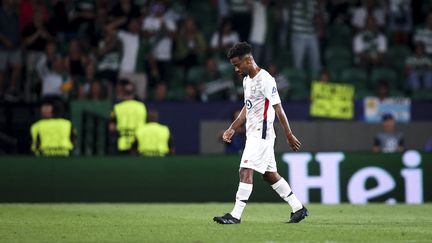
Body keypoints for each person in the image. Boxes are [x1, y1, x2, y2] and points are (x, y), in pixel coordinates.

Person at [213, 42, 307, 224]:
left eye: (237, 64)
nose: (236, 69)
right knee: (269, 174)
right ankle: (298, 208)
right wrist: (232, 127)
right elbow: (247, 109)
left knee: (245, 169)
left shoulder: (266, 79)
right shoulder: (247, 79)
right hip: (254, 134)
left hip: (261, 134)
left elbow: (278, 109)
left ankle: (235, 215)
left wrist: (289, 134)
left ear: (248, 60)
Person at [110, 80, 147, 154]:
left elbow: (111, 127)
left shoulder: (117, 107)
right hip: (139, 142)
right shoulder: (142, 107)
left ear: (123, 94)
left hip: (122, 143)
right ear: (133, 94)